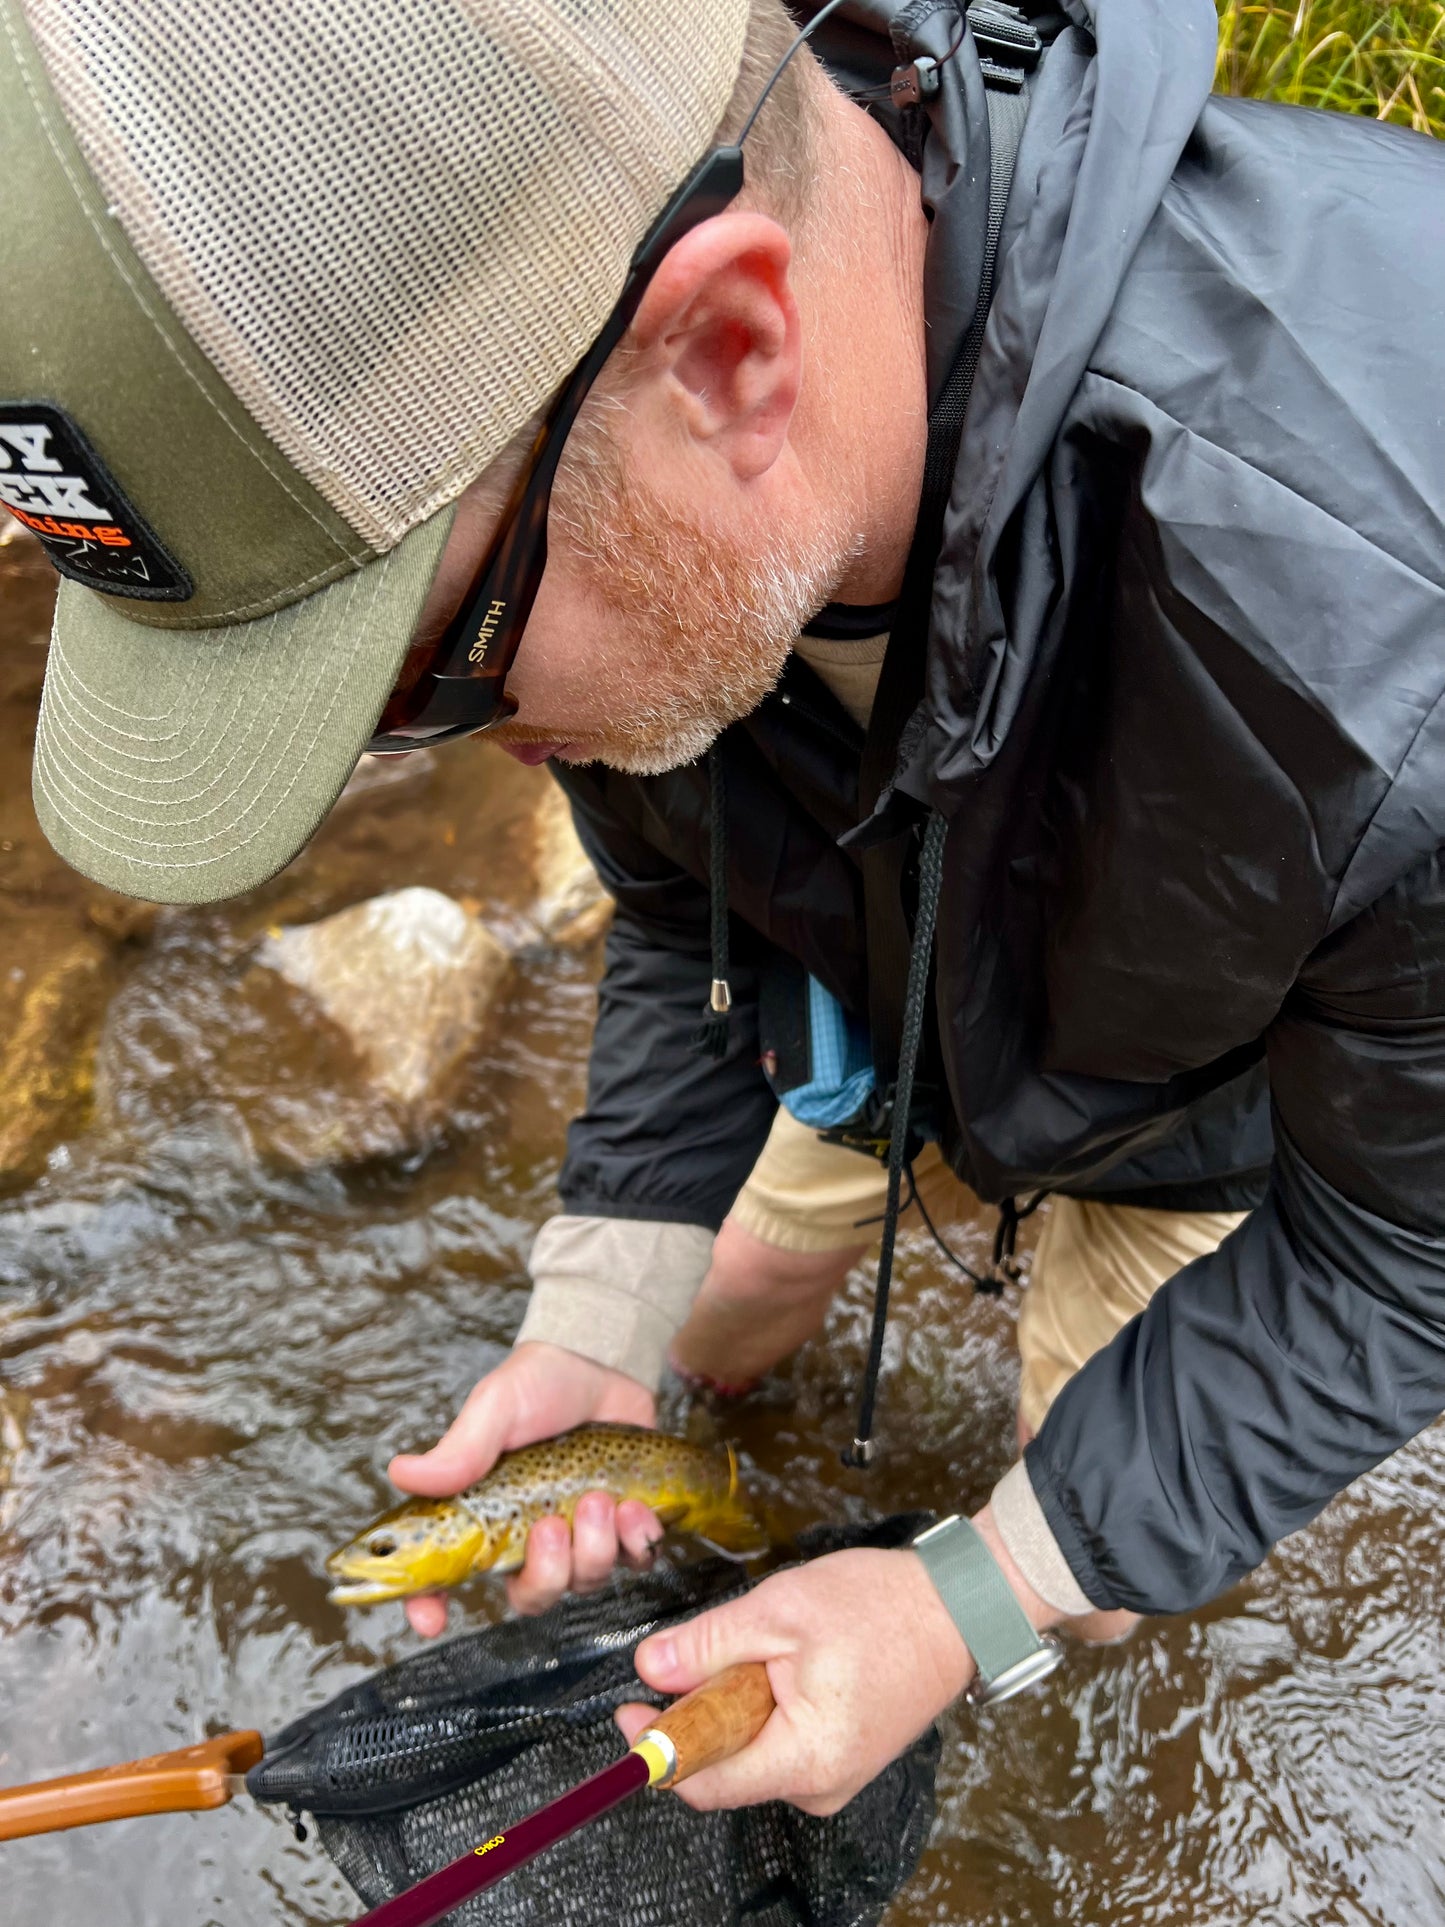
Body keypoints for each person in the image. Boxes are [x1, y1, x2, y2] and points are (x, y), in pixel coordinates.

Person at [4, 0, 1444, 1821]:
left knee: (1088, 1552)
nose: (471, 756)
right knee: (707, 1332)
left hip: (1226, 1132)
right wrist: (593, 1326)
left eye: (427, 679)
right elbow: (686, 906)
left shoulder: (1393, 655)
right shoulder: (651, 512)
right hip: (886, 1019)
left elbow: (1409, 1249)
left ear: (735, 357)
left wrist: (963, 1602)